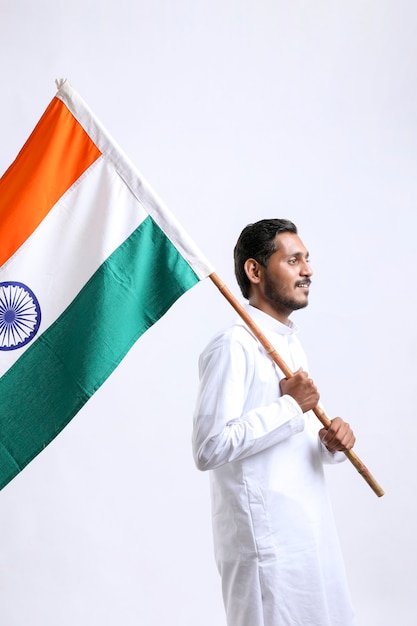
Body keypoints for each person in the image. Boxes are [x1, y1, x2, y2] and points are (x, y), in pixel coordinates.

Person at [192, 219, 356, 626]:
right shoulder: (234, 345)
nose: (308, 270)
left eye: (307, 260)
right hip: (267, 548)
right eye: (294, 260)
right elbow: (209, 447)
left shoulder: (289, 342)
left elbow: (287, 436)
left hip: (310, 534)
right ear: (255, 271)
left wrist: (328, 443)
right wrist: (289, 408)